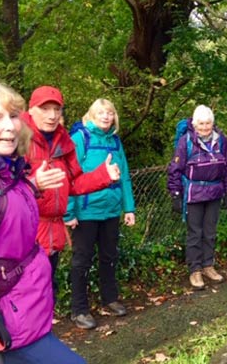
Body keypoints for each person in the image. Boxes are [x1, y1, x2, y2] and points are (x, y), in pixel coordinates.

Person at [0, 80, 86, 364]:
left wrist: (29, 186)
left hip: (19, 307)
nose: (10, 126)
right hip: (2, 317)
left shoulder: (3, 169)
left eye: (13, 115)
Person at [21, 86, 121, 309]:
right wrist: (33, 184)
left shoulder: (62, 141)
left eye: (56, 109)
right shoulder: (16, 140)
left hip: (52, 232)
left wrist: (104, 175)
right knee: (25, 291)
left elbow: (74, 183)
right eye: (45, 108)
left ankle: (42, 336)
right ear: (31, 110)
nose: (52, 115)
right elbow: (1, 190)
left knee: (47, 289)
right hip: (26, 229)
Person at [66, 99, 136, 330]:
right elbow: (68, 177)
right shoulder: (80, 139)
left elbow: (124, 175)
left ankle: (110, 299)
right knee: (81, 260)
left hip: (111, 211)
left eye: (110, 113)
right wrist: (69, 213)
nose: (106, 117)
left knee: (109, 256)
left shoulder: (115, 142)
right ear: (91, 115)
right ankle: (79, 309)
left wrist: (129, 208)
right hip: (85, 212)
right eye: (101, 113)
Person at [167, 105, 227, 290]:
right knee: (195, 233)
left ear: (213, 123)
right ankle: (195, 269)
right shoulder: (186, 141)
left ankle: (208, 265)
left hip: (214, 192)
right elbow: (175, 169)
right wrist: (175, 194)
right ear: (195, 124)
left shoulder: (221, 140)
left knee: (210, 231)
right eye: (201, 123)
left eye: (208, 123)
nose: (205, 127)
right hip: (193, 193)